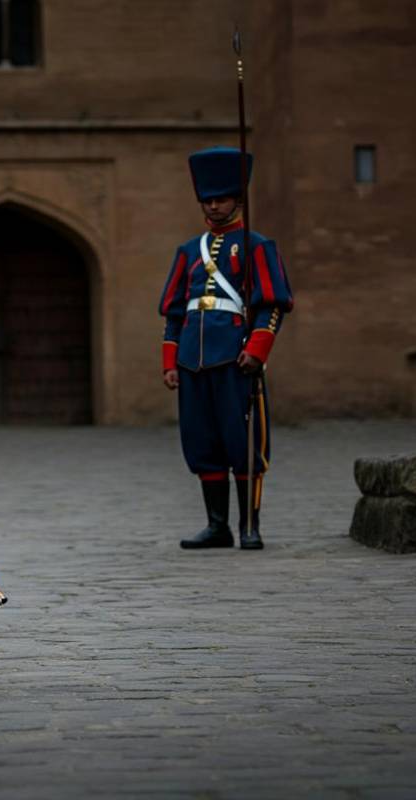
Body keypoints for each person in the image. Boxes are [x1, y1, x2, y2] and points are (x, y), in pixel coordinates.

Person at [159, 146, 294, 550]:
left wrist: (258, 349)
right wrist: (171, 361)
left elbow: (272, 305)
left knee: (244, 444)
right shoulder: (188, 252)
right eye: (209, 200)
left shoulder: (256, 246)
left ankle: (249, 526)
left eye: (222, 199)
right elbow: (174, 314)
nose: (215, 206)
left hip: (236, 359)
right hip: (192, 361)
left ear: (238, 199)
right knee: (203, 443)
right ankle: (217, 526)